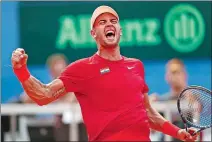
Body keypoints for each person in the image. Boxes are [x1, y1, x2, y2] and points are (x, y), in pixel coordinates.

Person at [11, 5, 199, 141]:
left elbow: (148, 113)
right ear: (93, 33)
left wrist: (177, 132)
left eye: (113, 21)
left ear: (120, 31)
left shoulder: (136, 66)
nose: (109, 24)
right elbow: (43, 95)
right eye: (102, 22)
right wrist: (21, 71)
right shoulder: (82, 69)